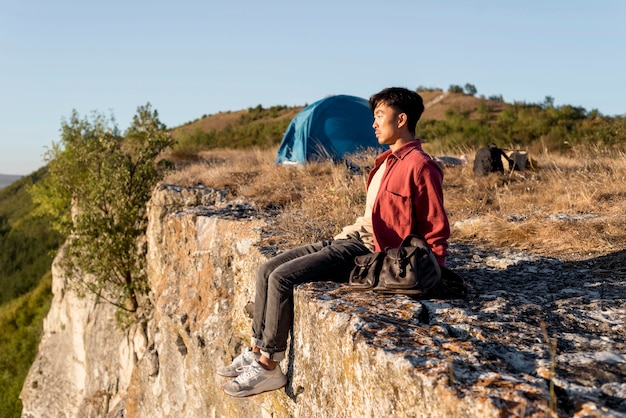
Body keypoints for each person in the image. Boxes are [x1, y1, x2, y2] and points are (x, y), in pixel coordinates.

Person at [218, 87, 450, 397]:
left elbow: (436, 225)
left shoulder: (420, 165)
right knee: (266, 269)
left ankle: (268, 366)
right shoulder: (385, 161)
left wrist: (435, 270)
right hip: (349, 238)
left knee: (282, 278)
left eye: (380, 116)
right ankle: (256, 347)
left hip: (367, 251)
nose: (374, 124)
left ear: (402, 118)